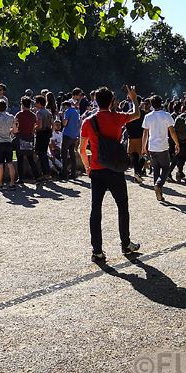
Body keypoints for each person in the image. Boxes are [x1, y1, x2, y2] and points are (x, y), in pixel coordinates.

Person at [79, 85, 141, 262]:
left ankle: (97, 251)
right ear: (113, 101)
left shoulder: (88, 122)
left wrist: (87, 167)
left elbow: (81, 149)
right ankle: (126, 244)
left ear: (95, 101)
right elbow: (136, 114)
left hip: (97, 170)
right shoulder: (117, 118)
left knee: (95, 210)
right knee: (122, 206)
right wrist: (133, 98)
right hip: (115, 169)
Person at [141, 95, 180, 201]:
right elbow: (172, 131)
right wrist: (177, 143)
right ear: (161, 103)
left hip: (152, 146)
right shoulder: (166, 115)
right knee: (166, 168)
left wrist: (143, 146)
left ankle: (158, 192)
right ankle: (159, 184)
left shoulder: (148, 116)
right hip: (163, 146)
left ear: (151, 104)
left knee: (156, 169)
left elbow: (145, 132)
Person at [13, 96, 42, 183]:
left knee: (20, 159)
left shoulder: (19, 114)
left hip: (20, 137)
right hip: (29, 137)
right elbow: (37, 124)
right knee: (30, 158)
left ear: (22, 104)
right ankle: (37, 176)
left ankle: (20, 178)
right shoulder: (33, 115)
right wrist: (33, 129)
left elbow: (15, 124)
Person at [125, 98, 146, 184]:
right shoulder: (143, 113)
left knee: (134, 156)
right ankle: (137, 173)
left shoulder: (129, 112)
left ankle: (136, 174)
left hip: (131, 137)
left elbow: (126, 125)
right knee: (142, 157)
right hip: (140, 137)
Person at [60, 99, 81, 179]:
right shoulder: (76, 112)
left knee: (64, 154)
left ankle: (64, 174)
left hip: (67, 134)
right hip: (74, 135)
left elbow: (64, 123)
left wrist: (62, 117)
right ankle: (73, 173)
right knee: (72, 154)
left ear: (65, 106)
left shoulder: (67, 112)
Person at [34, 95, 53, 177]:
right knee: (44, 152)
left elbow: (40, 125)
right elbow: (52, 124)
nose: (34, 103)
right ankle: (47, 172)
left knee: (41, 153)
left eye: (36, 102)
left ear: (39, 103)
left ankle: (45, 173)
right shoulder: (48, 112)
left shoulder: (39, 113)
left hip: (41, 134)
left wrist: (34, 129)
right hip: (47, 133)